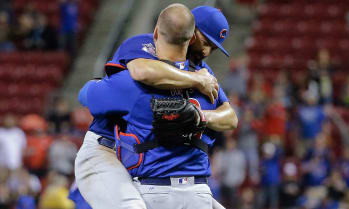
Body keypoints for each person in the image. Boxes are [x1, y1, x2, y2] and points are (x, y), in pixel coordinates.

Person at [74, 4, 236, 209]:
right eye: (206, 42)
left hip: (145, 161)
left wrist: (199, 116)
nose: (206, 51)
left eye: (213, 47)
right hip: (106, 146)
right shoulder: (143, 46)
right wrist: (195, 80)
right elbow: (142, 72)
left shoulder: (201, 69)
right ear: (191, 34)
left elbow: (231, 117)